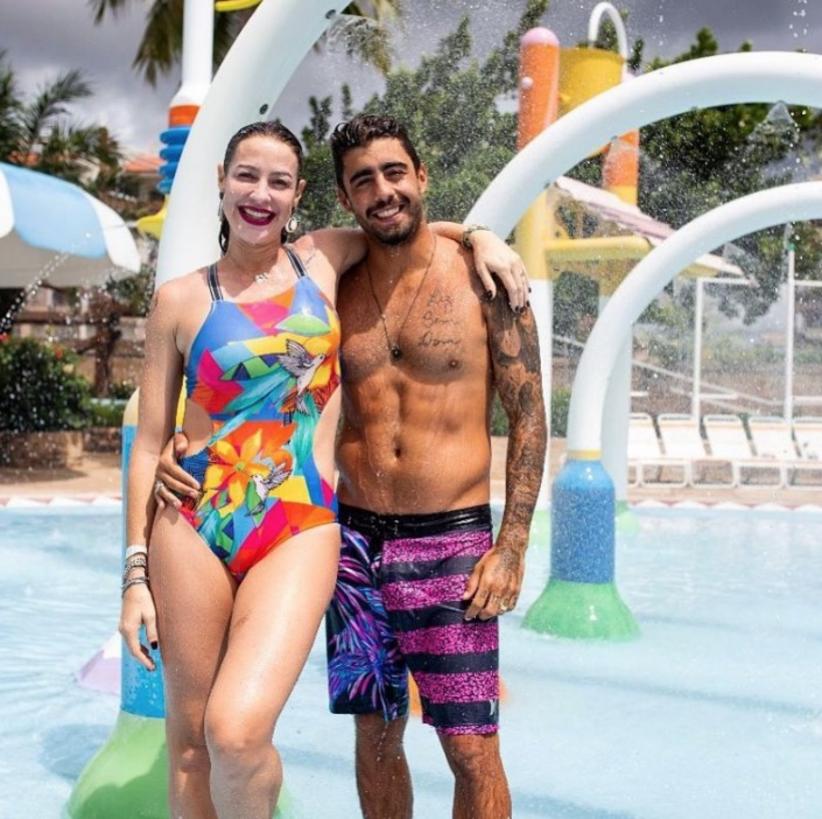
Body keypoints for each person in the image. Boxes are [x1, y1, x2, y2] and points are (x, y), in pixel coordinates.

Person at [123, 118, 529, 819]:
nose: (260, 193)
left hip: (314, 523)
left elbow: (406, 225)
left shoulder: (327, 261)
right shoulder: (188, 297)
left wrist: (482, 235)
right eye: (246, 176)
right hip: (209, 523)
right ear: (221, 182)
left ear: (298, 194)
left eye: (278, 181)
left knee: (239, 733)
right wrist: (134, 572)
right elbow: (149, 438)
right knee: (197, 747)